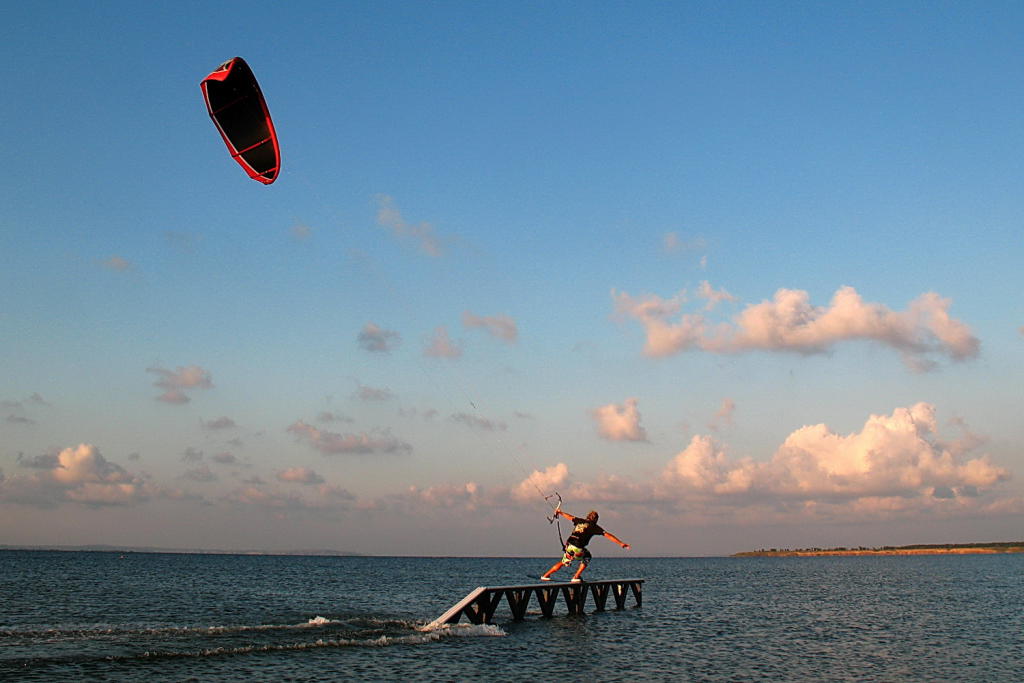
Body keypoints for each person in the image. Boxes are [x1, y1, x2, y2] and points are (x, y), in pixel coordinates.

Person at [540, 509, 630, 582]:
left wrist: (560, 512)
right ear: (596, 519)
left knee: (564, 561)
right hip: (578, 547)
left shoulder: (580, 521)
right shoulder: (594, 526)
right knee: (587, 557)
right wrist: (621, 543)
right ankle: (576, 576)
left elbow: (570, 517)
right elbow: (608, 535)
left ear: (587, 516)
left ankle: (546, 575)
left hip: (568, 545)